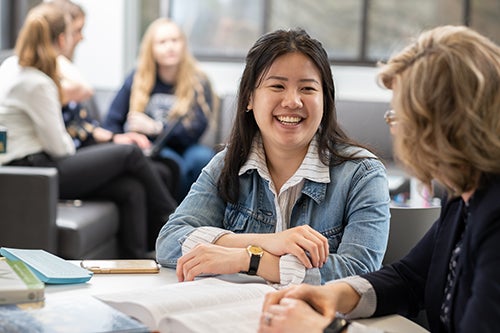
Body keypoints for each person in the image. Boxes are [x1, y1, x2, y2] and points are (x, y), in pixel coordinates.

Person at [258, 25, 500, 333]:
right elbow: (409, 278)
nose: (395, 131)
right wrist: (331, 294)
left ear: (447, 124)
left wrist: (329, 329)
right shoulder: (465, 196)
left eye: (400, 117)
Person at [155, 28, 390, 286]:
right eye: (277, 86)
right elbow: (169, 242)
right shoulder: (227, 164)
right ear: (249, 98)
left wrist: (249, 260)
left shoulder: (362, 175)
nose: (293, 101)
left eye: (308, 88)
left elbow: (360, 271)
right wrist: (267, 242)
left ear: (326, 101)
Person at [0, 2, 177, 258]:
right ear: (62, 39)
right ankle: (175, 220)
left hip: (27, 169)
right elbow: (60, 147)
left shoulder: (11, 67)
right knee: (129, 153)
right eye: (74, 34)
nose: (78, 39)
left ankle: (137, 260)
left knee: (131, 189)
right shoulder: (38, 84)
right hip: (37, 173)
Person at [103, 18, 218, 201]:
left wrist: (155, 127)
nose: (170, 47)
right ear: (151, 49)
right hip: (152, 147)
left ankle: (197, 218)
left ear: (183, 45)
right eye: (162, 42)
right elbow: (111, 121)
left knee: (203, 158)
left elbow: (194, 130)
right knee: (173, 164)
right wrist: (122, 138)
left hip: (187, 145)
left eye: (175, 40)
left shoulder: (198, 81)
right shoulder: (137, 77)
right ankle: (170, 219)